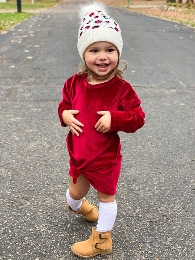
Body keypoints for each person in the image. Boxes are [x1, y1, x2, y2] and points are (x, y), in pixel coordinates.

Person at [58, 1, 145, 258]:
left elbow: (138, 117)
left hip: (105, 158)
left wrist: (115, 119)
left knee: (106, 198)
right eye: (94, 50)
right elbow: (64, 104)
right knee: (74, 196)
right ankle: (82, 208)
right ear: (84, 54)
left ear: (118, 53)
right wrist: (63, 114)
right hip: (79, 156)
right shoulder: (73, 83)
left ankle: (102, 240)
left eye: (110, 49)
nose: (103, 56)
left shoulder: (121, 88)